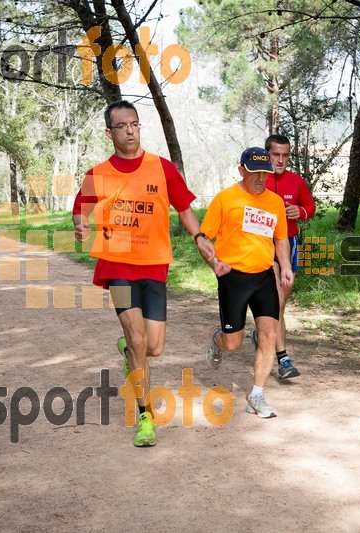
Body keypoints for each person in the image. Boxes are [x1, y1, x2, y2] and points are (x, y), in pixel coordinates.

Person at [72, 100, 220, 447]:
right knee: (139, 340)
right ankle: (145, 417)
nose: (130, 131)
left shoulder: (162, 168)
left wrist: (199, 237)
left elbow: (184, 208)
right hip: (117, 267)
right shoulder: (98, 174)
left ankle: (130, 351)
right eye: (122, 126)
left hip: (154, 267)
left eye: (134, 124)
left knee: (153, 346)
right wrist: (80, 225)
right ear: (109, 133)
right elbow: (81, 211)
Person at [199, 147, 293, 419]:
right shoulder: (225, 199)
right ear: (242, 171)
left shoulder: (274, 202)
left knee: (268, 335)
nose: (261, 179)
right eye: (255, 173)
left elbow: (281, 238)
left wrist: (284, 265)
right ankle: (218, 339)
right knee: (233, 345)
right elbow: (204, 236)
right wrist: (214, 261)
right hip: (233, 278)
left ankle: (256, 396)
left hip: (264, 276)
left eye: (265, 173)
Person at [249, 135, 316, 380]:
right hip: (263, 245)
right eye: (275, 155)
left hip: (289, 243)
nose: (280, 160)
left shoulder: (296, 182)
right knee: (276, 302)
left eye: (285, 155)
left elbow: (311, 207)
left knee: (280, 304)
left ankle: (263, 335)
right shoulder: (257, 179)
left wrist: (300, 211)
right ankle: (283, 359)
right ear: (267, 154)